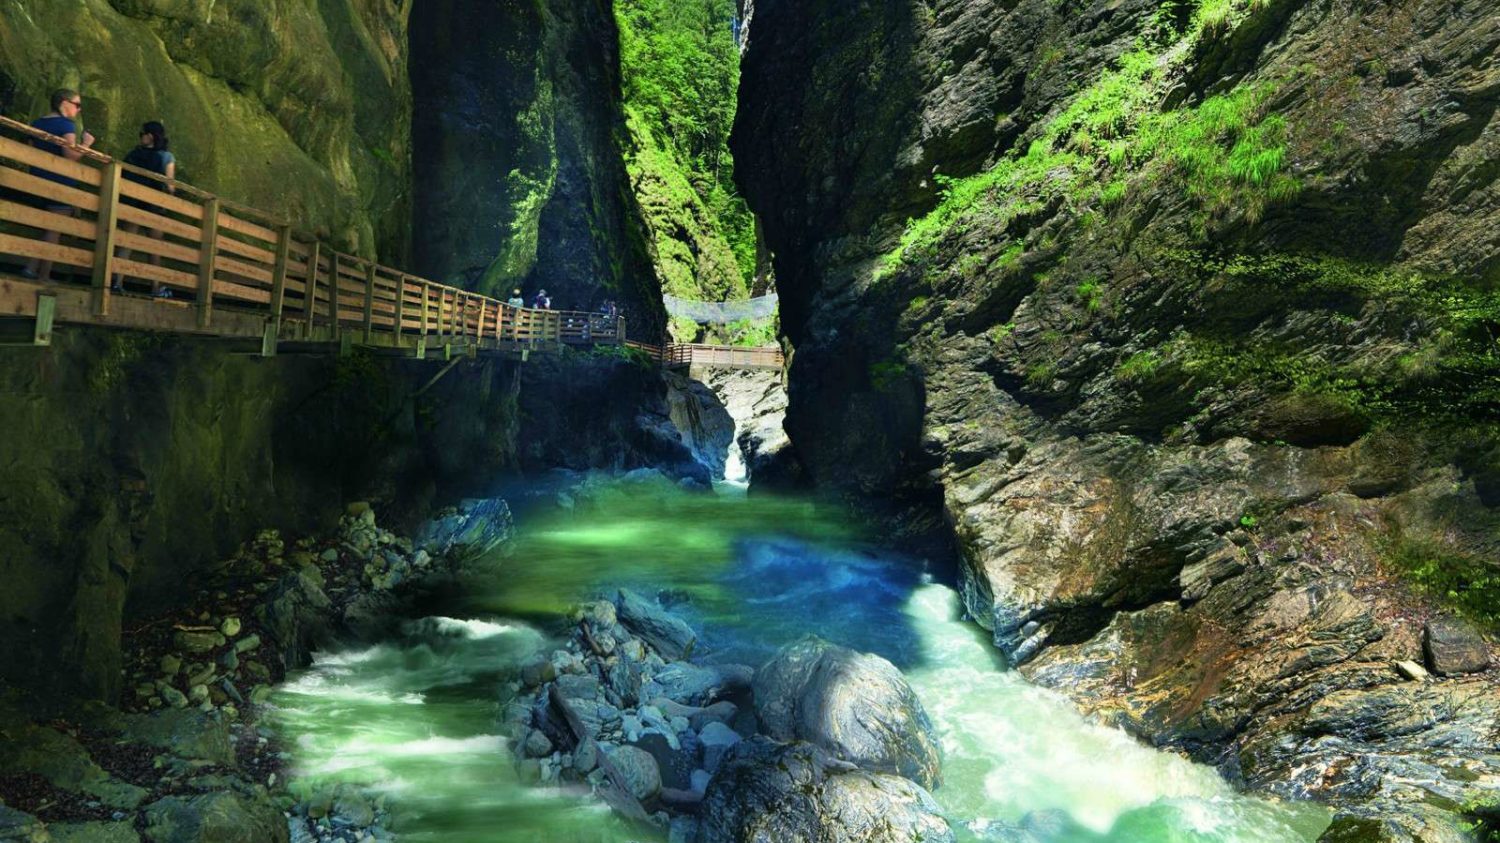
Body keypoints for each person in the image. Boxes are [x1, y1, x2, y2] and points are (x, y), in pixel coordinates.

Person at [21, 89, 96, 282]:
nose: (79, 110)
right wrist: (86, 144)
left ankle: (30, 268)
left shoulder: (38, 123)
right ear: (65, 103)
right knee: (54, 230)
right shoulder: (66, 124)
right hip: (59, 184)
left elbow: (28, 149)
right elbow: (71, 156)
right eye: (77, 105)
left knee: (45, 228)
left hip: (37, 181)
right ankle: (43, 276)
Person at [115, 121, 177, 297]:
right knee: (154, 247)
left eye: (142, 133)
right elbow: (170, 185)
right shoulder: (166, 157)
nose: (140, 136)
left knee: (126, 244)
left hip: (133, 203)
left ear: (150, 135)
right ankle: (156, 287)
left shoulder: (134, 154)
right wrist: (169, 200)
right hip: (153, 205)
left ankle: (116, 282)